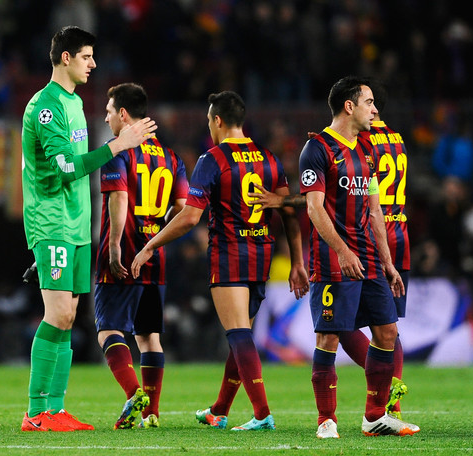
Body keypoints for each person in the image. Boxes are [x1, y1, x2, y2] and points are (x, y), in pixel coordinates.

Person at [248, 76, 419, 438]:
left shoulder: (366, 150)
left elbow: (374, 212)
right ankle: (326, 420)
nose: (375, 109)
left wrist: (388, 263)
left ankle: (375, 416)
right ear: (349, 105)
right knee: (328, 338)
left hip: (370, 258)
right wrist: (341, 250)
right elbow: (313, 208)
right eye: (369, 102)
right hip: (331, 260)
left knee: (387, 332)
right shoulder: (318, 149)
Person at [132, 91, 309, 431]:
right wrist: (297, 262)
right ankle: (219, 410)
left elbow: (189, 218)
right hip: (262, 254)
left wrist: (151, 245)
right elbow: (287, 212)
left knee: (238, 334)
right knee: (240, 335)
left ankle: (261, 413)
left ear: (217, 121)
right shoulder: (269, 158)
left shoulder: (212, 159)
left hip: (230, 253)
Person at [20, 26, 157, 432]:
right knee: (58, 314)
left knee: (69, 317)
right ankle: (35, 412)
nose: (93, 64)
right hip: (53, 221)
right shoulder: (46, 107)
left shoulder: (75, 103)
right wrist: (118, 144)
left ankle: (55, 410)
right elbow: (64, 167)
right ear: (65, 58)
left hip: (77, 224)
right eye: (86, 57)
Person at [94, 82, 188, 430]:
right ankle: (152, 414)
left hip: (123, 250)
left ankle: (135, 393)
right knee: (149, 336)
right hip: (155, 253)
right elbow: (181, 207)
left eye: (108, 111)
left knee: (108, 329)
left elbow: (118, 197)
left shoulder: (116, 151)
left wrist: (116, 244)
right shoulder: (171, 157)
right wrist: (156, 231)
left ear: (123, 113)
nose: (106, 118)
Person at [339, 80, 411, 419]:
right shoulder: (396, 139)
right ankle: (391, 399)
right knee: (388, 325)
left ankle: (385, 391)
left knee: (341, 324)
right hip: (401, 234)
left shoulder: (359, 140)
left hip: (370, 235)